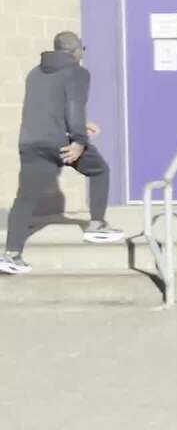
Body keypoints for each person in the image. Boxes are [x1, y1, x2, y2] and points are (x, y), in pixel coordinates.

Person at [1, 31, 123, 275]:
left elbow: (47, 109)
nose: (82, 54)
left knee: (25, 198)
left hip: (31, 142)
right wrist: (79, 140)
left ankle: (11, 254)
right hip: (61, 144)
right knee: (100, 171)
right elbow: (74, 106)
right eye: (82, 49)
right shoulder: (77, 72)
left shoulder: (34, 73)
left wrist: (81, 126)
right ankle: (96, 225)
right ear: (75, 50)